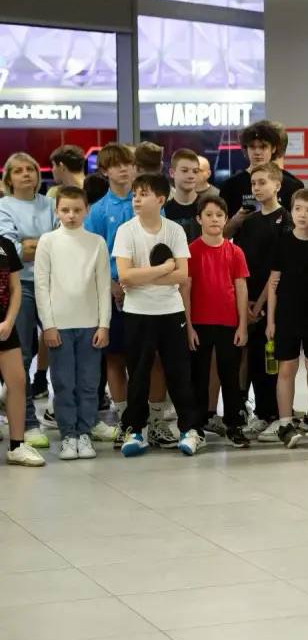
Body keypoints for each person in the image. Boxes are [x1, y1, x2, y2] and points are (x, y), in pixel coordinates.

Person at [112, 173, 203, 457]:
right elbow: (125, 276)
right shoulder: (126, 231)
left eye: (144, 194)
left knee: (179, 373)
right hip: (137, 312)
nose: (136, 199)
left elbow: (183, 275)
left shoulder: (174, 230)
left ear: (161, 200)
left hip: (171, 311)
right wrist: (163, 269)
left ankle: (189, 430)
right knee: (138, 373)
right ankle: (136, 431)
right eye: (135, 194)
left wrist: (142, 276)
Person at [34, 186, 111, 461]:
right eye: (65, 210)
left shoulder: (96, 242)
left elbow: (103, 286)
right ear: (56, 211)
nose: (71, 215)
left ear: (86, 210)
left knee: (89, 383)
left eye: (77, 210)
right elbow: (41, 286)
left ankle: (84, 433)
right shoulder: (48, 241)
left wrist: (104, 325)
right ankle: (68, 435)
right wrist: (48, 325)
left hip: (90, 325)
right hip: (59, 326)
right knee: (64, 383)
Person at [182, 196, 250, 450]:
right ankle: (196, 426)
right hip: (199, 324)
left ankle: (234, 424)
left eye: (219, 215)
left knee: (230, 375)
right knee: (198, 376)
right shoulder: (191, 251)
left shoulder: (235, 252)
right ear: (199, 219)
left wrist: (242, 325)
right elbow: (185, 290)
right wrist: (188, 326)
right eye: (208, 215)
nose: (214, 219)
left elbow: (241, 288)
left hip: (228, 323)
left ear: (226, 219)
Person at [0, 152, 57, 445]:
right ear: (9, 179)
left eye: (30, 169)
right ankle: (28, 423)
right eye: (18, 171)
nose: (26, 174)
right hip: (20, 285)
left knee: (61, 348)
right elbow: (13, 251)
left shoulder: (51, 204)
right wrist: (45, 243)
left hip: (53, 284)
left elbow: (64, 242)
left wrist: (32, 244)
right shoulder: (3, 206)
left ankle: (67, 415)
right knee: (21, 355)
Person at [266, 187, 308, 448]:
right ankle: (285, 422)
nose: (303, 214)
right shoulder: (282, 241)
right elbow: (273, 283)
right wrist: (270, 320)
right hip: (287, 316)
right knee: (286, 369)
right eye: (298, 209)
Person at [85, 144, 138, 434]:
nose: (123, 169)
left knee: (147, 356)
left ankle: (148, 412)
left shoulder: (147, 203)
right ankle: (124, 412)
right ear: (105, 171)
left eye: (128, 164)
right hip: (113, 290)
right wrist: (112, 284)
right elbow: (93, 255)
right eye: (116, 165)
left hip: (147, 287)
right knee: (115, 354)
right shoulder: (98, 211)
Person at [235, 163, 289, 441]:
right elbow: (241, 267)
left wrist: (260, 305)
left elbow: (278, 270)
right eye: (253, 183)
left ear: (277, 185)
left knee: (274, 361)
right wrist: (245, 303)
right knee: (256, 359)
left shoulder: (286, 220)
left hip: (275, 302)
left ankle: (280, 415)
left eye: (262, 182)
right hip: (249, 300)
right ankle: (263, 413)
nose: (256, 188)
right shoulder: (249, 223)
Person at [223, 121, 303, 237]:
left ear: (273, 148)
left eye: (263, 147)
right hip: (244, 247)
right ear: (246, 149)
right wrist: (235, 221)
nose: (257, 152)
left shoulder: (292, 185)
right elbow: (220, 236)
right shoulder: (231, 186)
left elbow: (302, 230)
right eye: (252, 147)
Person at [0, 227, 37, 466]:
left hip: (4, 326)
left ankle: (16, 445)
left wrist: (9, 321)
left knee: (17, 381)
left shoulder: (5, 245)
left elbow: (15, 289)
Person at [164, 148, 205, 241]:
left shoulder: (207, 207)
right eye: (185, 171)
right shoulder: (164, 211)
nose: (191, 176)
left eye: (195, 171)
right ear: (172, 173)